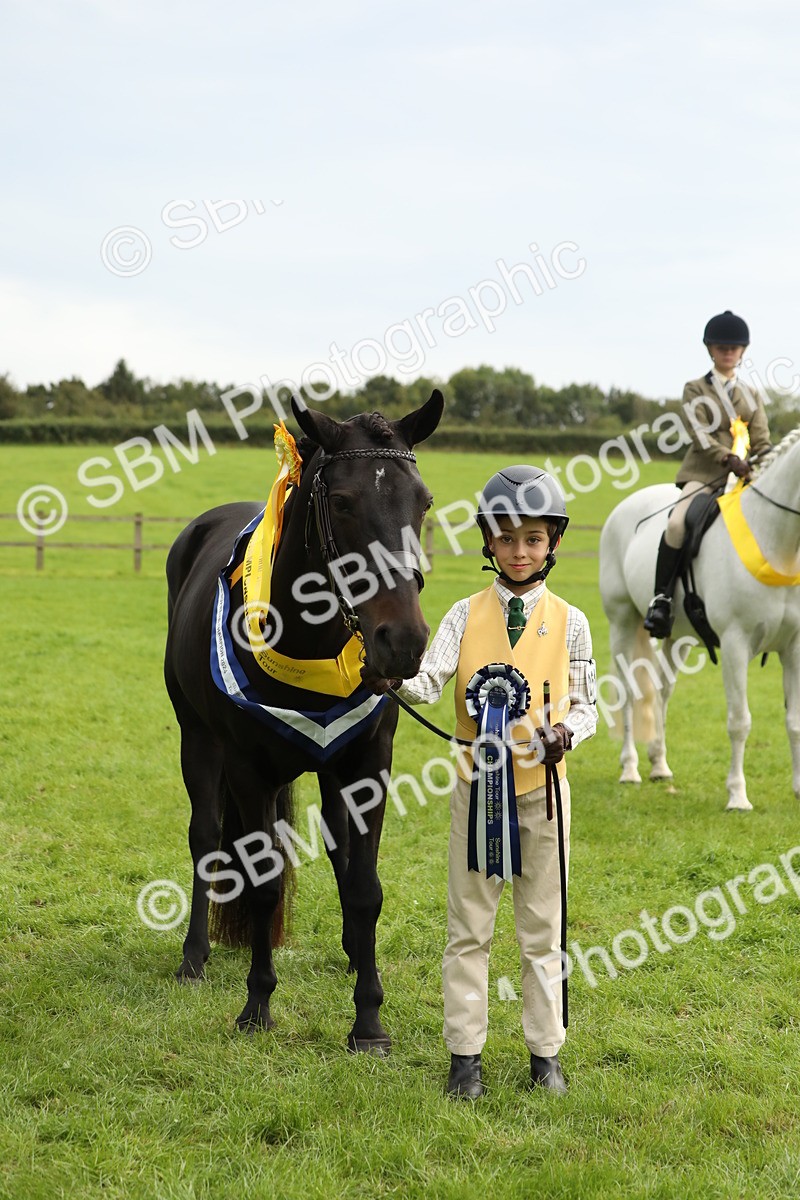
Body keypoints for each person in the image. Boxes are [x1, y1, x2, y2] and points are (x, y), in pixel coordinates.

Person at [394, 465, 597, 1098]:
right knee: (468, 929)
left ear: (552, 542)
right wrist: (386, 676)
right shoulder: (462, 615)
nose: (519, 552)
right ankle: (465, 1057)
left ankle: (546, 1054)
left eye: (532, 539)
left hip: (545, 797)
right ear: (487, 540)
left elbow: (587, 705)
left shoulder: (572, 621)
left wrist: (566, 733)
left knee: (542, 929)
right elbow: (429, 681)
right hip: (474, 791)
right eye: (506, 539)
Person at [644, 310, 772, 638]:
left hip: (744, 478)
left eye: (733, 347)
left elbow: (761, 439)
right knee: (676, 523)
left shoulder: (752, 394)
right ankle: (662, 599)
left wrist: (764, 463)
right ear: (710, 349)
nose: (728, 352)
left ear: (742, 351)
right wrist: (727, 457)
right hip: (703, 474)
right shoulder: (695, 389)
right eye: (721, 347)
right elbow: (699, 433)